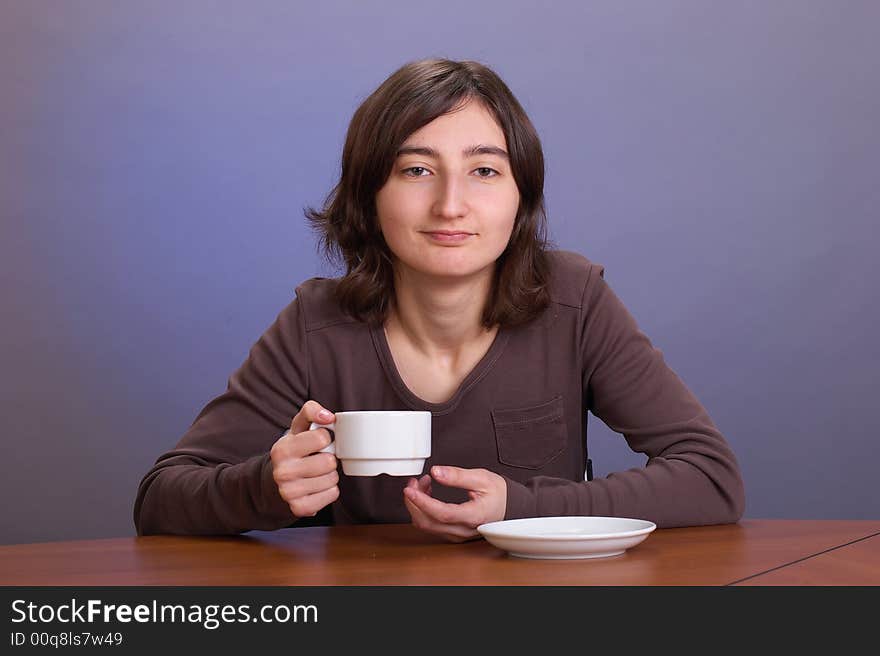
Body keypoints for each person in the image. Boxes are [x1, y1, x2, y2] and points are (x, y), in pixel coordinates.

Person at [133, 58, 745, 541]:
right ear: (369, 195)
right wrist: (265, 486)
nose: (451, 205)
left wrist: (522, 508)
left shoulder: (574, 300)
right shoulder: (318, 323)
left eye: (484, 171)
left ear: (520, 197)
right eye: (416, 170)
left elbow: (711, 478)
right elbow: (160, 498)